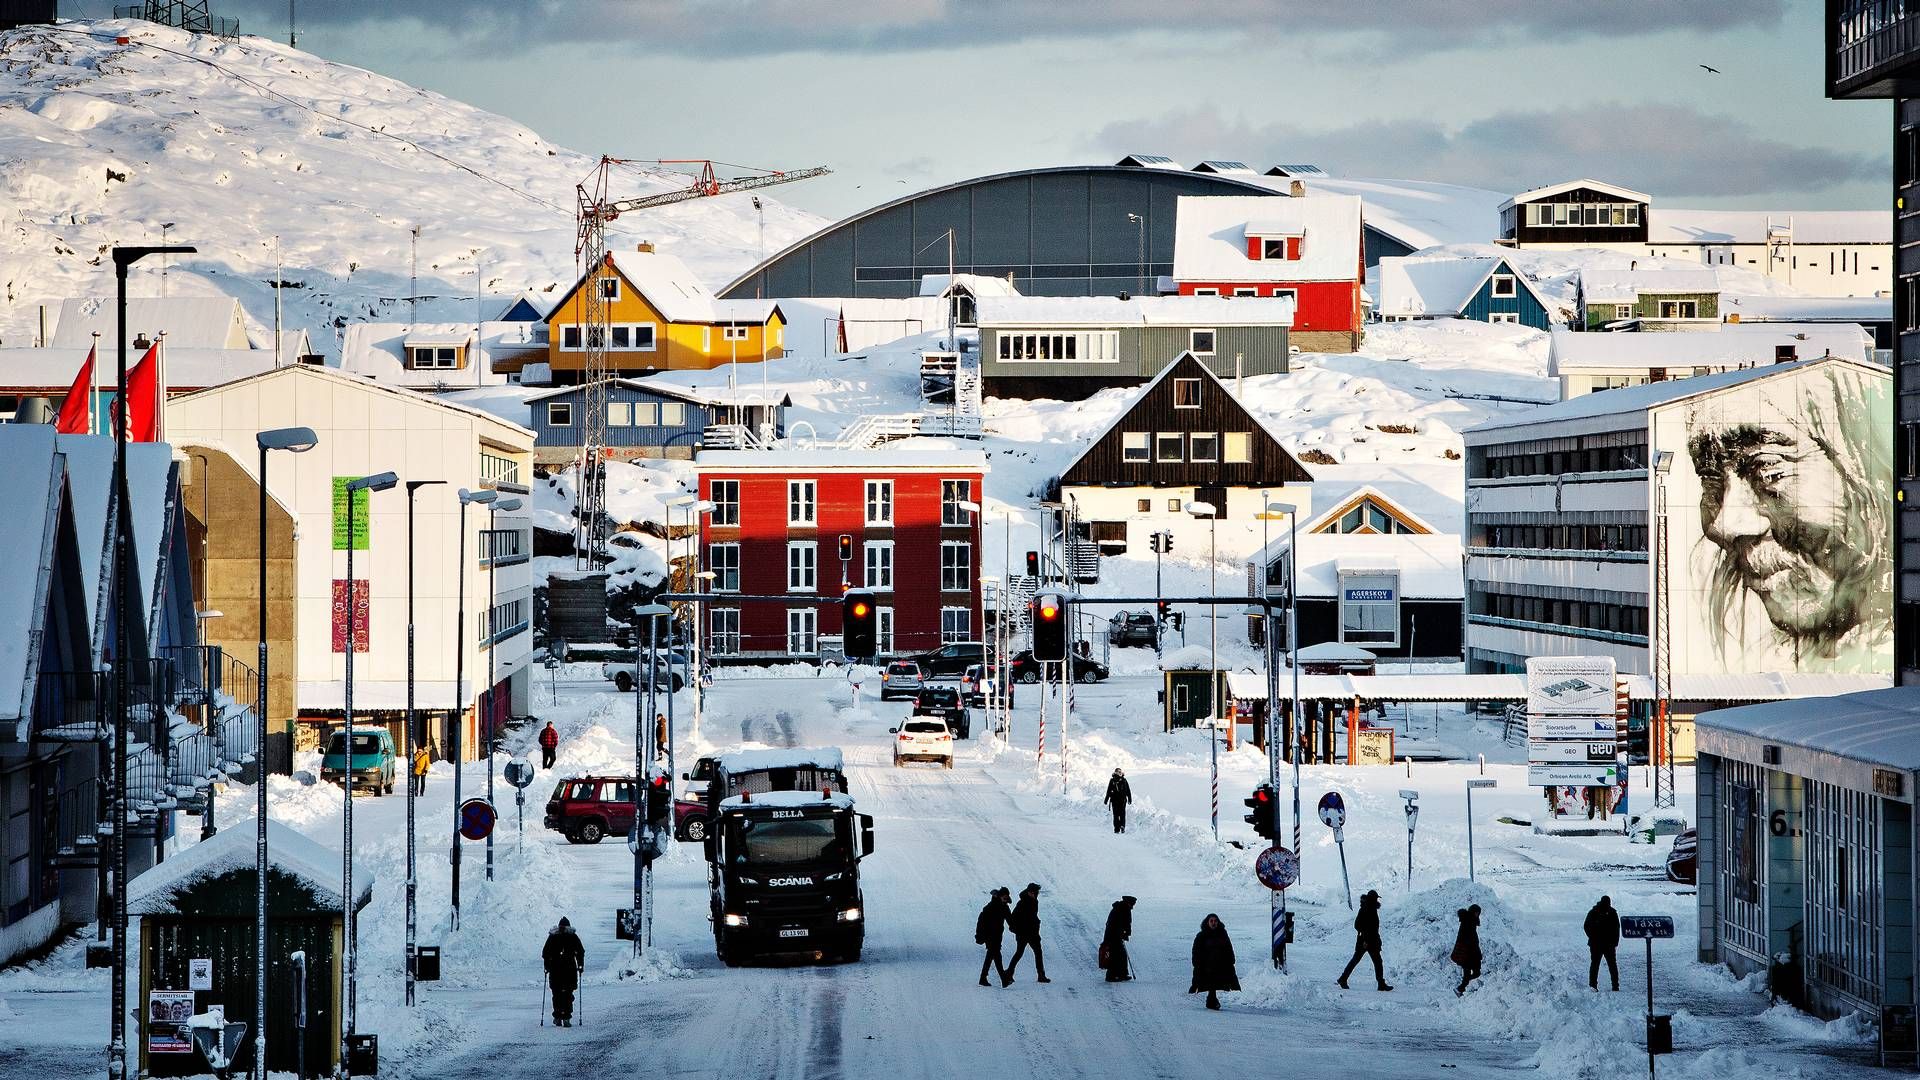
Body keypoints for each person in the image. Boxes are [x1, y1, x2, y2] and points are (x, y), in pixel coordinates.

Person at [1337, 890, 1392, 991]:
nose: (1376, 900)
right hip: (1366, 942)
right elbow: (1358, 925)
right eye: (1375, 898)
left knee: (1376, 962)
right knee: (1361, 960)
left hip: (1372, 941)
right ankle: (1343, 978)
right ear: (1371, 898)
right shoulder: (1366, 909)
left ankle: (1380, 983)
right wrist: (1365, 939)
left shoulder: (1371, 908)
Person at [1189, 913, 1239, 1010]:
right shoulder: (1201, 936)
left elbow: (1228, 948)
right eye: (1211, 921)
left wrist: (1231, 960)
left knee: (1216, 982)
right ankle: (1212, 1000)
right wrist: (1197, 963)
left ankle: (1211, 1000)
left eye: (1215, 921)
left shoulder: (1222, 934)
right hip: (1206, 965)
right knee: (1210, 983)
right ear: (1207, 922)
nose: (1213, 923)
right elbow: (1196, 951)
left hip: (1220, 964)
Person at [541, 916, 585, 1026]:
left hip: (556, 969)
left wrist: (547, 966)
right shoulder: (572, 937)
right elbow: (580, 952)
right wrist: (580, 965)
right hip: (568, 969)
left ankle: (559, 1016)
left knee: (557, 994)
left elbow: (545, 953)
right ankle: (565, 1017)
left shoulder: (553, 937)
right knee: (567, 994)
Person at [1004, 882, 1049, 985]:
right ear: (1029, 892)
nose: (1036, 894)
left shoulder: (1034, 901)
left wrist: (1036, 923)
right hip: (1023, 933)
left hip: (1033, 933)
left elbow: (1033, 916)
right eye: (1034, 893)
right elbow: (1013, 917)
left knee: (1038, 952)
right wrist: (1017, 929)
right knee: (1019, 953)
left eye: (1037, 893)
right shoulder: (1022, 903)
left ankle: (1041, 975)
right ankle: (1009, 972)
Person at [975, 887, 1012, 987]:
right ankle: (1004, 980)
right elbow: (982, 922)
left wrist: (1017, 928)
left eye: (1006, 898)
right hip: (989, 935)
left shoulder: (1004, 907)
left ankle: (983, 978)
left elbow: (1011, 921)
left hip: (997, 935)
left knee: (991, 956)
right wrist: (981, 935)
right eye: (1004, 898)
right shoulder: (991, 907)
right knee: (996, 956)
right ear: (1000, 896)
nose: (1005, 900)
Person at [1585, 895, 1620, 992]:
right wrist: (1615, 942)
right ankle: (1615, 986)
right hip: (1605, 944)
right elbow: (1617, 929)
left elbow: (1586, 926)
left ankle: (1593, 985)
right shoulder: (1611, 912)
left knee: (1596, 965)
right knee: (1611, 965)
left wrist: (1592, 937)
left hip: (1599, 944)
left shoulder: (1594, 912)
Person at [1103, 896, 1136, 982]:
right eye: (1132, 905)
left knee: (1120, 954)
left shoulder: (1119, 908)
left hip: (1113, 934)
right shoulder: (1124, 909)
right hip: (1114, 935)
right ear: (1129, 903)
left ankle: (1122, 974)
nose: (1133, 907)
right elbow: (1126, 923)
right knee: (1116, 954)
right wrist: (1125, 933)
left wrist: (1124, 933)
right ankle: (1111, 976)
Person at [1451, 904, 1482, 996]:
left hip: (1469, 953)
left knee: (1473, 973)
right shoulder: (1468, 922)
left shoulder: (1469, 921)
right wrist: (1476, 952)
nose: (1478, 915)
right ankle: (1462, 989)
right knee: (1473, 973)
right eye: (1477, 913)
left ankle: (1464, 988)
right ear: (1473, 912)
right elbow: (1469, 940)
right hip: (1467, 954)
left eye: (1478, 913)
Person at [1104, 768, 1133, 834]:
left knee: (1121, 814)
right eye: (1118, 772)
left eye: (1120, 771)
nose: (1119, 773)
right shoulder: (1112, 781)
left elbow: (1128, 790)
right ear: (1115, 772)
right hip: (1115, 801)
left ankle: (1122, 826)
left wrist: (1129, 798)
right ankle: (1117, 828)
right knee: (1116, 815)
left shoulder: (1124, 780)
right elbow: (1108, 791)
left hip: (1122, 801)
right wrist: (1106, 799)